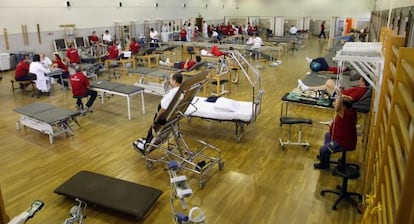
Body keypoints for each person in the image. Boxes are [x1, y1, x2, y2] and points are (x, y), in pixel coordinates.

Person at [132, 72, 183, 154]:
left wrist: (155, 121)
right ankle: (147, 142)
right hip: (172, 116)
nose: (169, 80)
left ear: (174, 81)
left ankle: (146, 146)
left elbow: (163, 109)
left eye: (170, 79)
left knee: (152, 128)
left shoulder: (171, 94)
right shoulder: (181, 91)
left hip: (163, 118)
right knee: (154, 127)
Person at [313, 95, 357, 169]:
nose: (336, 104)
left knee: (323, 149)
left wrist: (339, 94)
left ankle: (324, 165)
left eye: (340, 104)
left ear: (344, 107)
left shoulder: (346, 114)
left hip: (343, 142)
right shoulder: (348, 111)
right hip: (339, 137)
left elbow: (336, 107)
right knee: (327, 135)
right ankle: (325, 156)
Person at [298, 76, 369, 103]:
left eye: (360, 80)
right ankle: (307, 88)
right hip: (340, 93)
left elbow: (350, 98)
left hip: (339, 97)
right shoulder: (361, 88)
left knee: (326, 86)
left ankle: (307, 88)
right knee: (329, 81)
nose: (359, 81)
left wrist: (340, 94)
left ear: (363, 82)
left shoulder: (360, 90)